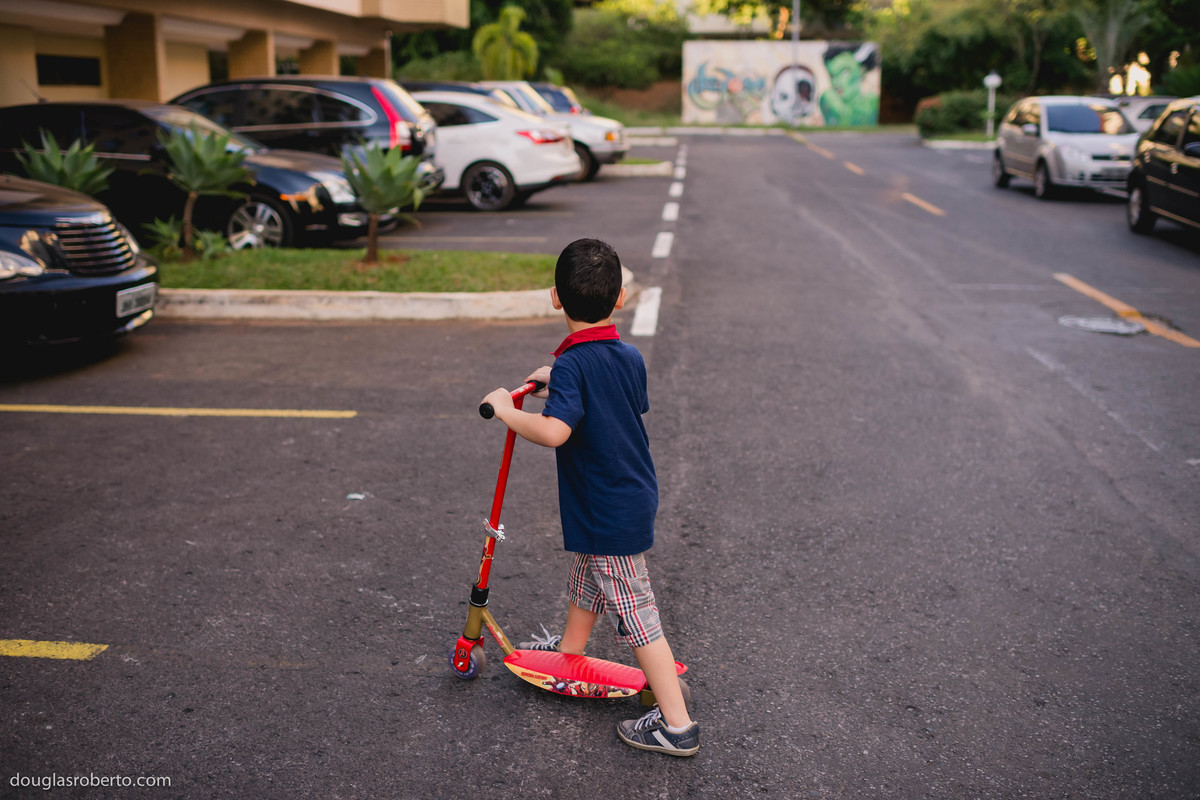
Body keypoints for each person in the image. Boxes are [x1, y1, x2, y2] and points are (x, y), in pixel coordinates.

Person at [481, 237, 699, 757]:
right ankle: (570, 652)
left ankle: (677, 724)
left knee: (637, 611)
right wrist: (555, 378)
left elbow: (556, 432)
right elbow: (616, 391)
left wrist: (506, 410)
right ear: (619, 298)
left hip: (608, 507)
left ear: (556, 298)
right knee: (588, 577)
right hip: (626, 493)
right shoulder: (627, 356)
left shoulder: (576, 366)